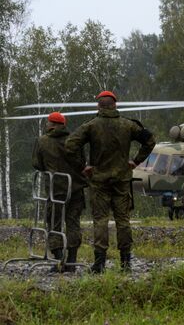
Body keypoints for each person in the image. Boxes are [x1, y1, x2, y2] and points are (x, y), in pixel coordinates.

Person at [65, 91, 155, 273]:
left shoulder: (91, 126)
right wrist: (136, 161)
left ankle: (99, 264)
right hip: (122, 180)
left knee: (100, 220)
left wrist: (83, 166)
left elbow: (70, 145)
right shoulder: (129, 125)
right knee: (123, 220)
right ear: (115, 105)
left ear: (98, 106)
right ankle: (125, 263)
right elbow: (150, 140)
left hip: (99, 181)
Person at [32, 112, 87, 273]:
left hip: (56, 190)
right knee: (73, 224)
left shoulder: (42, 141)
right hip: (75, 189)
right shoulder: (74, 141)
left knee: (54, 223)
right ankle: (71, 261)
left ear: (52, 125)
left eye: (48, 123)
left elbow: (37, 164)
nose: (47, 125)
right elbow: (81, 162)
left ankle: (58, 259)